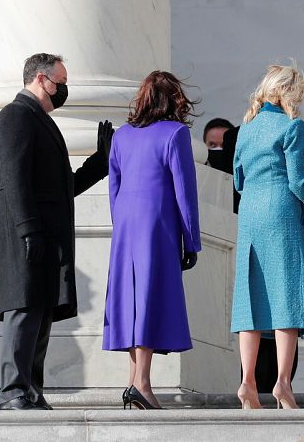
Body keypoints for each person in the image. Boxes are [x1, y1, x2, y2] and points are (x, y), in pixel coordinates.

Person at [0, 53, 113, 410]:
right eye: (60, 82)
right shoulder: (16, 115)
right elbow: (12, 181)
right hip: (27, 235)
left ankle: (31, 390)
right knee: (23, 312)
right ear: (40, 79)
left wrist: (98, 163)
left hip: (44, 236)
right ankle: (13, 392)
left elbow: (61, 187)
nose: (63, 90)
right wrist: (27, 230)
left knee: (39, 315)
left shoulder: (39, 119)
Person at [102, 71, 201, 410]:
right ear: (174, 99)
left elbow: (113, 187)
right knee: (148, 297)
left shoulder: (122, 136)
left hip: (126, 226)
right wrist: (192, 240)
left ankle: (133, 382)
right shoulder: (176, 134)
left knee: (130, 299)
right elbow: (185, 192)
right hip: (157, 224)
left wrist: (122, 224)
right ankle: (142, 384)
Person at [231, 64, 304, 410]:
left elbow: (237, 181)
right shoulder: (293, 126)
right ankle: (283, 383)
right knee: (287, 296)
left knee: (250, 297)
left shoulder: (246, 129)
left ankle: (247, 381)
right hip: (282, 212)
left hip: (250, 213)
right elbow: (299, 181)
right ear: (290, 93)